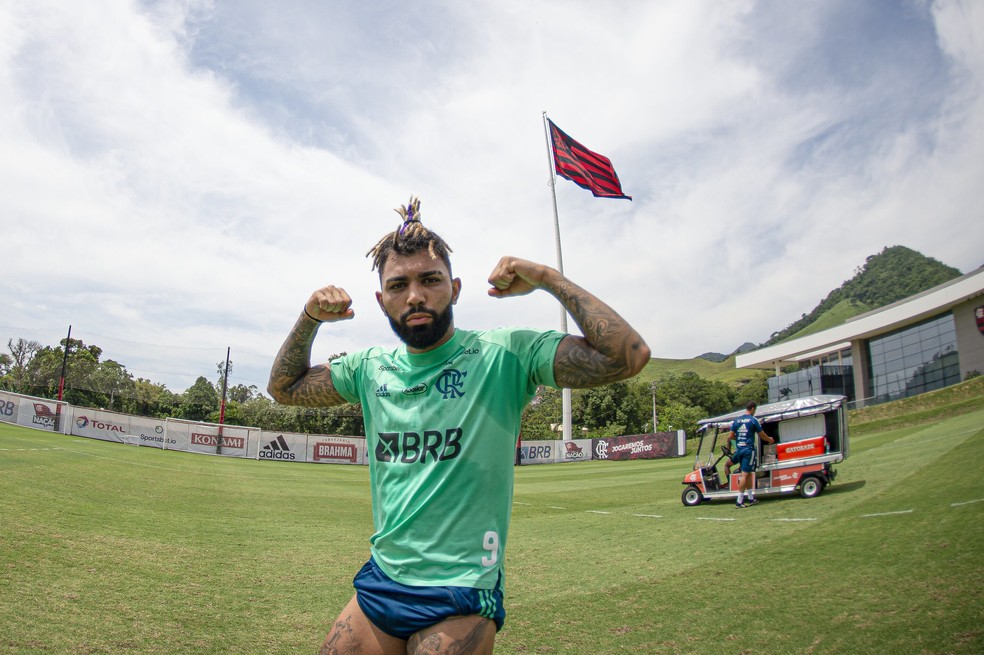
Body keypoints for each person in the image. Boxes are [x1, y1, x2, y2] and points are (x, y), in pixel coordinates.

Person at [267, 197, 651, 655]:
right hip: (383, 580)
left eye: (430, 280)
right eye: (398, 285)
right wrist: (310, 318)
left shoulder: (504, 354)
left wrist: (549, 279)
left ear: (455, 288)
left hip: (461, 589)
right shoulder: (369, 367)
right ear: (380, 299)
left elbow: (627, 355)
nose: (415, 296)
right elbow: (284, 387)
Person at [728, 401, 774, 507]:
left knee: (747, 473)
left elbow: (731, 436)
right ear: (752, 409)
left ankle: (751, 498)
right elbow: (761, 434)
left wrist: (739, 438)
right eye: (755, 410)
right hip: (748, 450)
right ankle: (739, 501)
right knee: (744, 474)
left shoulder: (737, 420)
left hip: (739, 450)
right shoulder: (753, 420)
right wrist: (769, 439)